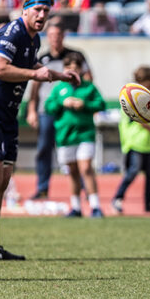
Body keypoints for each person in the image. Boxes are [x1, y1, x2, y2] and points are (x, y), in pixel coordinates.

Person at [0, 0, 79, 260]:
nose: (42, 14)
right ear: (25, 9)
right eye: (38, 9)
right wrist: (36, 75)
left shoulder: (33, 40)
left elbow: (36, 70)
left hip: (8, 116)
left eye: (46, 10)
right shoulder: (13, 32)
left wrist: (61, 76)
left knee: (3, 180)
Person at [27, 20, 89, 199]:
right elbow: (35, 88)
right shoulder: (42, 58)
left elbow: (88, 79)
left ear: (63, 36)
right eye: (52, 35)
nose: (55, 39)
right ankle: (42, 188)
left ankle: (83, 188)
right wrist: (32, 110)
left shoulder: (75, 56)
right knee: (44, 148)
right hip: (48, 110)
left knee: (76, 149)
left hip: (70, 111)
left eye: (58, 35)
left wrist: (82, 100)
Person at [43, 52, 105, 218]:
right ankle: (76, 207)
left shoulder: (89, 87)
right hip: (65, 135)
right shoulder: (59, 88)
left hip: (85, 133)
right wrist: (62, 102)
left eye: (75, 67)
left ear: (81, 69)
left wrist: (84, 104)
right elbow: (49, 107)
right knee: (72, 171)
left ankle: (95, 206)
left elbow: (101, 104)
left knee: (85, 168)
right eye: (68, 67)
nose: (72, 70)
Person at [112, 66, 150, 215]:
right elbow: (141, 122)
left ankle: (149, 203)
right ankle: (117, 198)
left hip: (149, 143)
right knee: (133, 171)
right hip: (135, 141)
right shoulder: (133, 96)